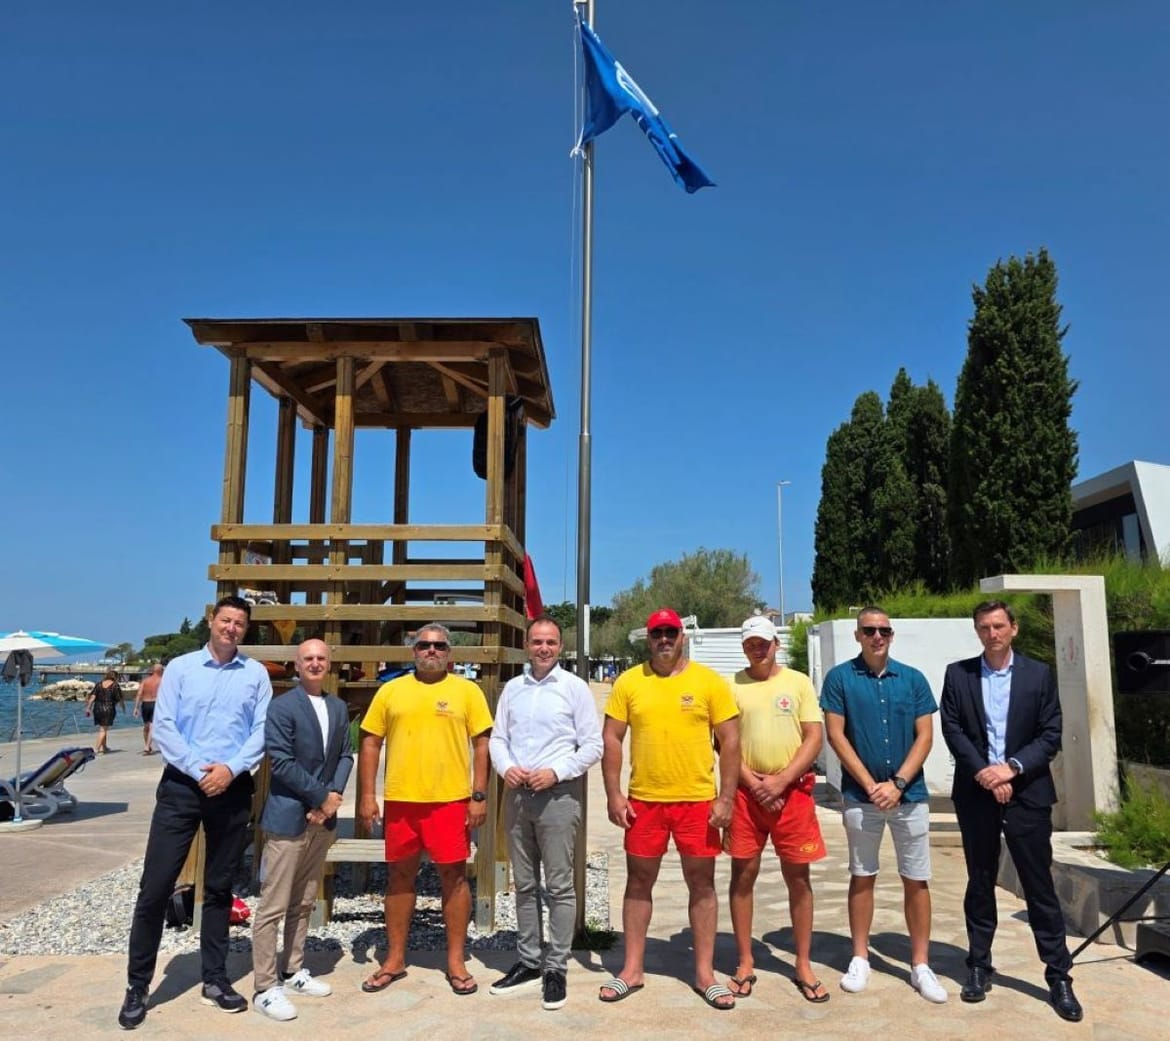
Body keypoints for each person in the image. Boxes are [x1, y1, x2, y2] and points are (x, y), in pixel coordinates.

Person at [118, 595, 273, 1030]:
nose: (231, 628)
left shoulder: (256, 674)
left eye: (239, 623)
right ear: (211, 621)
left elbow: (261, 730)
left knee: (220, 888)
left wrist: (230, 769)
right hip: (182, 786)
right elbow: (164, 725)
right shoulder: (181, 668)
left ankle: (215, 979)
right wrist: (198, 770)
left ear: (246, 629)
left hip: (232, 785)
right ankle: (137, 985)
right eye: (226, 620)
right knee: (155, 886)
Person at [939, 600, 1083, 1022]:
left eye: (999, 626)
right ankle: (979, 965)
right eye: (984, 627)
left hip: (1028, 793)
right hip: (977, 792)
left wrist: (1011, 769)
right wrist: (986, 773)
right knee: (980, 881)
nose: (992, 634)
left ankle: (1058, 976)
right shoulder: (958, 674)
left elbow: (1050, 732)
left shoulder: (1038, 674)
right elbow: (953, 729)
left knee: (1039, 886)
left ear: (1013, 628)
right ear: (977, 631)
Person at [599, 608, 741, 1011]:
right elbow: (611, 738)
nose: (664, 639)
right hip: (645, 802)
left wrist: (726, 798)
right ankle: (632, 970)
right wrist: (614, 794)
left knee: (702, 884)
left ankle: (705, 974)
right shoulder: (629, 682)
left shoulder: (708, 682)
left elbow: (731, 740)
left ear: (682, 637)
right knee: (638, 882)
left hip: (697, 802)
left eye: (671, 632)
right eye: (657, 632)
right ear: (648, 638)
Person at [819, 606, 947, 1003]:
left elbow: (925, 736)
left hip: (910, 796)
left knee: (916, 878)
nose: (877, 636)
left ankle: (920, 964)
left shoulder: (912, 679)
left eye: (884, 631)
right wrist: (871, 785)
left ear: (892, 635)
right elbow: (836, 736)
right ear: (858, 635)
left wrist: (898, 784)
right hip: (862, 797)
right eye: (870, 630)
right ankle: (860, 957)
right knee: (862, 874)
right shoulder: (840, 678)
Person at [357, 623, 493, 997]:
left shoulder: (468, 691)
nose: (431, 650)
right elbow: (370, 743)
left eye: (439, 646)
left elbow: (482, 744)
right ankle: (394, 959)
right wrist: (367, 796)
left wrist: (478, 796)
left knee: (455, 879)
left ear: (450, 653)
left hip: (450, 802)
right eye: (424, 645)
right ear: (413, 651)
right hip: (402, 801)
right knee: (399, 878)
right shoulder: (390, 691)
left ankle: (456, 961)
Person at [488, 616, 602, 1011]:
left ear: (560, 646)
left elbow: (592, 745)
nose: (544, 648)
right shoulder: (513, 689)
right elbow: (498, 739)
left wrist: (556, 771)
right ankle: (529, 961)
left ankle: (556, 967)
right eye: (537, 641)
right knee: (524, 884)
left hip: (558, 796)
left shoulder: (574, 688)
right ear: (527, 645)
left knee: (559, 885)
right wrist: (506, 768)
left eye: (551, 642)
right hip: (518, 796)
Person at [724, 616, 828, 1002]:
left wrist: (782, 781)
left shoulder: (798, 683)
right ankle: (745, 961)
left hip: (792, 794)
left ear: (776, 644)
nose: (758, 648)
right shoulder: (730, 686)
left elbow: (814, 737)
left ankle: (803, 963)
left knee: (798, 879)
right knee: (743, 875)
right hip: (746, 794)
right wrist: (754, 783)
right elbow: (723, 742)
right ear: (743, 647)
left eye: (763, 642)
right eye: (751, 643)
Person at [252, 639, 354, 1022]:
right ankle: (264, 986)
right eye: (308, 658)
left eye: (321, 658)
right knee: (273, 904)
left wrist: (332, 796)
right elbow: (280, 762)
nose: (314, 663)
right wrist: (321, 797)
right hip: (288, 817)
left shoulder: (338, 707)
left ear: (329, 664)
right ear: (297, 665)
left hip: (322, 820)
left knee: (305, 899)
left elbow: (345, 755)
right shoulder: (282, 707)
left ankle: (293, 969)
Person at [85, 670, 123, 755]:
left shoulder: (99, 684)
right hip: (108, 708)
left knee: (103, 728)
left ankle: (104, 747)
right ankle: (96, 749)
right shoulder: (115, 685)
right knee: (103, 729)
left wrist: (88, 708)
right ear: (115, 677)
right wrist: (121, 706)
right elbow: (119, 698)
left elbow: (92, 697)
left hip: (97, 708)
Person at [134, 664, 164, 755]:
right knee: (152, 725)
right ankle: (147, 746)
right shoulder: (162, 680)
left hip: (145, 703)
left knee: (146, 726)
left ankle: (147, 745)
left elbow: (139, 693)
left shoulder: (145, 681)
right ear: (160, 671)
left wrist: (136, 707)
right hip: (156, 703)